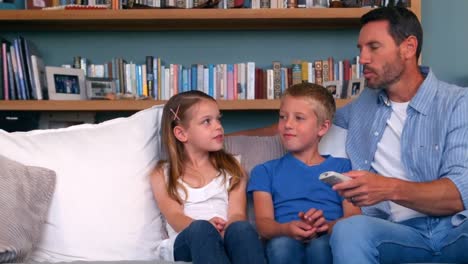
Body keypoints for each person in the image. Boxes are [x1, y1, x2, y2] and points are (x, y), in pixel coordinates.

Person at [330, 6, 468, 264]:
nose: (363, 58)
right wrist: (230, 132)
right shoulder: (362, 106)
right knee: (349, 230)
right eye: (360, 49)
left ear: (408, 47)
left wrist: (387, 188)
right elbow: (312, 122)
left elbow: (461, 194)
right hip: (397, 234)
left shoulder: (458, 103)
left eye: (373, 47)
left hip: (456, 229)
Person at [247, 83, 361, 264]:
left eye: (299, 118)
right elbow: (264, 224)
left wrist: (327, 226)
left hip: (328, 237)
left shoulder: (342, 167)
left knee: (321, 247)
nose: (288, 125)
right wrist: (286, 229)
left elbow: (353, 217)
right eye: (283, 117)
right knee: (281, 246)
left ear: (322, 128)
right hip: (283, 237)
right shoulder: (265, 171)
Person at [151, 90, 265, 264]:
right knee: (201, 229)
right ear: (181, 134)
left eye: (218, 119)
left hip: (225, 236)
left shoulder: (233, 168)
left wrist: (225, 229)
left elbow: (237, 214)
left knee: (241, 228)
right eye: (207, 121)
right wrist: (208, 228)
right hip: (186, 240)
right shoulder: (162, 174)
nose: (218, 126)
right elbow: (175, 216)